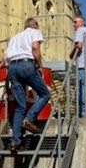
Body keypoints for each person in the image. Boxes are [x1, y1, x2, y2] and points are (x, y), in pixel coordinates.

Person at [5, 17, 51, 151]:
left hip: (12, 67)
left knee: (20, 106)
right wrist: (40, 65)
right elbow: (35, 48)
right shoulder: (34, 32)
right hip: (26, 64)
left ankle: (15, 142)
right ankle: (29, 119)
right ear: (35, 25)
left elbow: (5, 56)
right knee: (44, 94)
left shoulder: (15, 37)